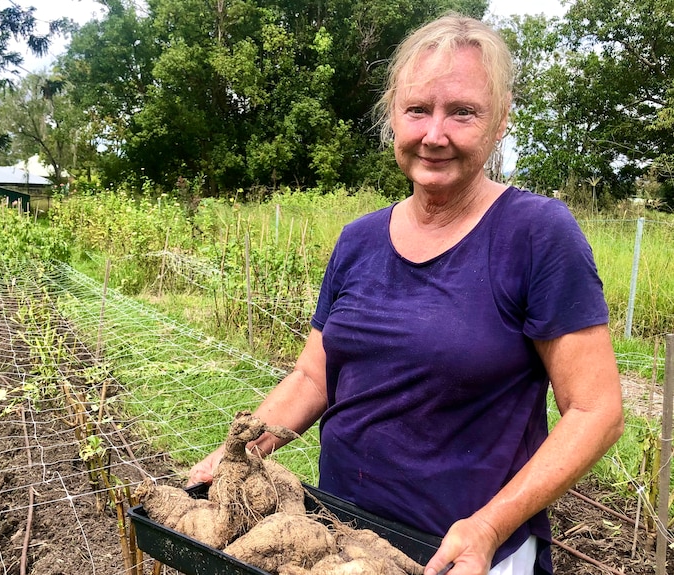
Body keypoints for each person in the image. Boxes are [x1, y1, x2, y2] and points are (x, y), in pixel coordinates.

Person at [188, 14, 623, 575]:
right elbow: (313, 377)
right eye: (418, 109)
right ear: (393, 114)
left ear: (500, 122)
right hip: (340, 540)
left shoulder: (536, 234)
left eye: (462, 111)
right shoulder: (359, 239)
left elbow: (597, 410)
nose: (434, 134)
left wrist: (489, 526)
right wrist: (237, 458)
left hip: (465, 554)